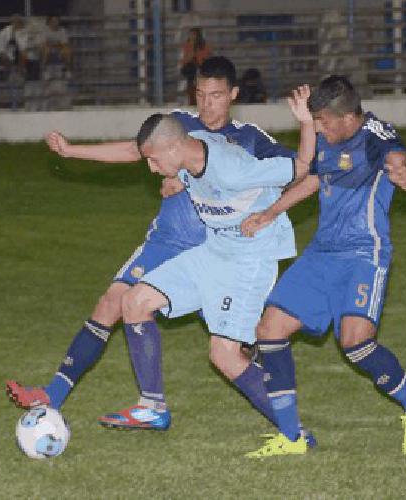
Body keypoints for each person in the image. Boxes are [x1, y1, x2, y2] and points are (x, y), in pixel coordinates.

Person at [5, 56, 316, 445]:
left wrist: (272, 200)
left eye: (216, 96)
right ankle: (123, 402)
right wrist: (74, 152)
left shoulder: (244, 144)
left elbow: (302, 168)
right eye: (200, 95)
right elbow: (140, 152)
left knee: (227, 351)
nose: (207, 104)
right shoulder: (178, 131)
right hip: (178, 245)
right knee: (124, 302)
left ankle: (293, 422)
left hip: (233, 253)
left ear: (233, 96)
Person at [239, 75, 406, 458]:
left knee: (356, 342)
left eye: (323, 123)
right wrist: (270, 213)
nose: (321, 130)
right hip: (322, 252)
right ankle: (292, 437)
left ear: (344, 116)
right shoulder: (330, 138)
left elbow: (400, 160)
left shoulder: (376, 136)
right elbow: (314, 178)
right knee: (270, 330)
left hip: (364, 253)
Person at [108, 96, 314, 438]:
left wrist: (306, 122)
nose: (152, 169)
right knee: (134, 302)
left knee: (224, 355)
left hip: (249, 259)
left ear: (174, 148)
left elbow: (304, 168)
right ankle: (151, 407)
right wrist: (180, 180)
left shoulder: (232, 168)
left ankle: (295, 434)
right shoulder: (190, 154)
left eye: (154, 160)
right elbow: (195, 174)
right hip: (214, 249)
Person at [0, 14, 29, 111]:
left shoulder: (24, 33)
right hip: (7, 59)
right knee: (6, 60)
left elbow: (24, 49)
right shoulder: (3, 33)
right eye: (15, 22)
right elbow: (1, 50)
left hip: (21, 58)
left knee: (24, 57)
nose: (17, 23)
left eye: (19, 22)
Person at [39, 16, 73, 110]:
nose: (55, 23)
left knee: (67, 50)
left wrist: (55, 45)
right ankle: (44, 68)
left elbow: (65, 44)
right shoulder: (45, 31)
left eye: (57, 21)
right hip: (48, 54)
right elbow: (44, 44)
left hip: (59, 54)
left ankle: (67, 69)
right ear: (49, 22)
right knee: (46, 50)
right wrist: (55, 44)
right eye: (53, 21)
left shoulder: (62, 31)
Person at [179, 28, 212, 105]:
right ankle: (192, 99)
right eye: (190, 35)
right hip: (190, 69)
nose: (191, 37)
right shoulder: (187, 46)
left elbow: (206, 57)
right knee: (191, 80)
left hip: (201, 68)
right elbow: (184, 59)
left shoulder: (204, 45)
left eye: (193, 35)